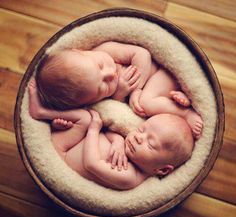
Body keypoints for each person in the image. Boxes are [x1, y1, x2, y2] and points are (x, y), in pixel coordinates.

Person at [28, 81, 194, 191]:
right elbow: (108, 134)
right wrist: (118, 141)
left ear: (163, 169)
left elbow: (91, 164)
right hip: (75, 140)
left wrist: (93, 130)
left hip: (63, 153)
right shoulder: (131, 151)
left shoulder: (130, 177)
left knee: (86, 119)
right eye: (141, 130)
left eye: (150, 144)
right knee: (85, 118)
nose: (138, 137)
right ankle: (47, 113)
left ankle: (44, 113)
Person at [36, 41, 203, 139]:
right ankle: (176, 101)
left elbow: (142, 54)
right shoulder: (98, 101)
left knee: (146, 102)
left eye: (100, 66)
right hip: (160, 96)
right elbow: (116, 108)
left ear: (81, 51)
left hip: (160, 76)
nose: (110, 74)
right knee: (156, 124)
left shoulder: (105, 50)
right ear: (90, 100)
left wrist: (136, 89)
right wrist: (120, 94)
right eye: (102, 87)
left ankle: (186, 114)